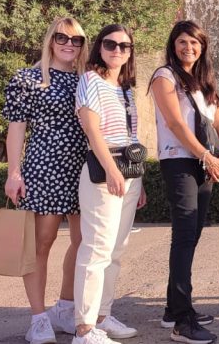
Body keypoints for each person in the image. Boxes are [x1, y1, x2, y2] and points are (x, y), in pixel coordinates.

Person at [3, 17, 90, 344]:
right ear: (50, 40)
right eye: (62, 37)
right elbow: (17, 128)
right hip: (44, 167)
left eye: (77, 40)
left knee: (84, 242)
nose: (69, 44)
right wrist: (14, 172)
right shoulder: (27, 78)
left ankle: (65, 307)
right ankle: (38, 317)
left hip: (84, 167)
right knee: (42, 242)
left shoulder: (87, 78)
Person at [149, 21, 219, 344]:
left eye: (195, 43)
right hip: (179, 160)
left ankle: (173, 308)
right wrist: (206, 157)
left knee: (192, 233)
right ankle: (183, 320)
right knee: (184, 234)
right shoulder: (164, 76)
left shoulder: (202, 81)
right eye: (183, 42)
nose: (189, 48)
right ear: (173, 44)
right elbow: (175, 123)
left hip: (205, 162)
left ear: (202, 47)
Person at [73, 24, 148, 344]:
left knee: (116, 249)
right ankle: (84, 328)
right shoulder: (91, 80)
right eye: (110, 44)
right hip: (104, 172)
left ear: (130, 52)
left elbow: (131, 138)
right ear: (99, 48)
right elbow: (92, 131)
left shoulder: (126, 89)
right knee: (96, 249)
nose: (117, 50)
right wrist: (112, 170)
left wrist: (137, 179)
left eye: (124, 46)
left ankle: (102, 316)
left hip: (130, 172)